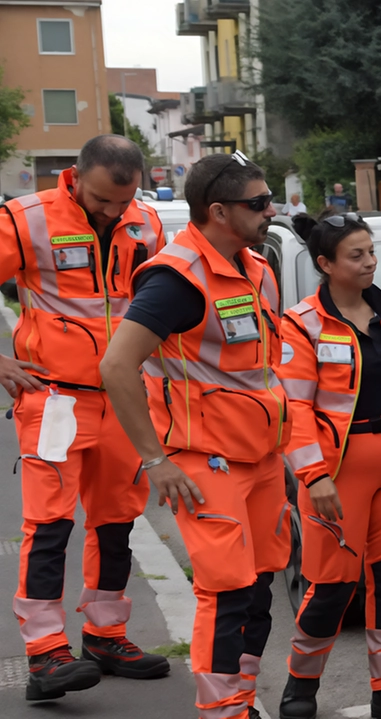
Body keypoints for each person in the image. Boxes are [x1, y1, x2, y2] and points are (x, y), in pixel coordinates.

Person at [99, 150, 291, 719]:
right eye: (257, 203)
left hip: (258, 457)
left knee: (258, 592)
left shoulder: (255, 267)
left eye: (267, 199)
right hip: (207, 464)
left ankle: (241, 701)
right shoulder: (178, 277)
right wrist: (156, 460)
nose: (269, 210)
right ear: (218, 211)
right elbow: (116, 366)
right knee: (227, 595)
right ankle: (223, 711)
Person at [0, 134, 170, 702]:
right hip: (53, 399)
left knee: (116, 522)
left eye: (124, 201)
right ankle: (46, 653)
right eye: (102, 200)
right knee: (49, 525)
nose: (113, 212)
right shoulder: (27, 218)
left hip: (123, 397)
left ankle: (106, 635)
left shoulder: (146, 224)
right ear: (75, 177)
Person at [275, 212, 381, 719]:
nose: (370, 263)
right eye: (357, 255)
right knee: (332, 587)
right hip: (338, 475)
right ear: (324, 264)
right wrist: (313, 475)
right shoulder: (300, 325)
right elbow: (293, 409)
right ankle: (300, 687)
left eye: (371, 252)